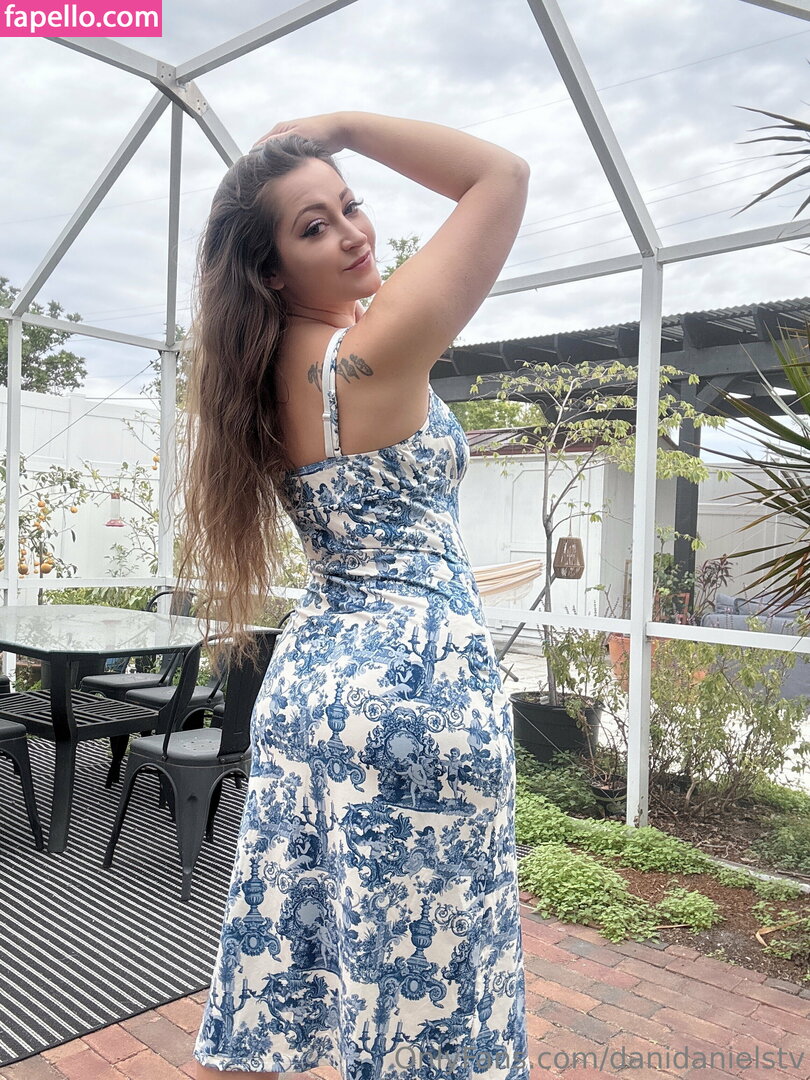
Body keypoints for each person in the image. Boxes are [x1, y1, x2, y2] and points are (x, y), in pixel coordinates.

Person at [183, 110, 530, 1079]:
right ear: (270, 271)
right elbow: (501, 174)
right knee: (429, 989)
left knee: (316, 958)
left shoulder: (258, 380)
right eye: (314, 226)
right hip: (418, 693)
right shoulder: (369, 356)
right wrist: (344, 127)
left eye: (351, 205)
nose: (352, 233)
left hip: (313, 692)